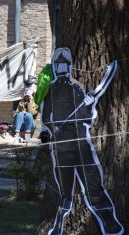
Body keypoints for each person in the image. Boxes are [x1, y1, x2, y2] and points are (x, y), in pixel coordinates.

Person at [41, 48, 123, 235]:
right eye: (59, 65)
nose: (62, 69)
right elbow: (46, 119)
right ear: (55, 67)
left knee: (94, 185)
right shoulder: (51, 90)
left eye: (64, 65)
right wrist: (53, 131)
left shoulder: (76, 87)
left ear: (69, 67)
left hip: (82, 146)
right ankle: (58, 226)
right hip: (62, 149)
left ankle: (109, 222)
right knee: (66, 192)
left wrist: (87, 103)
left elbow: (86, 118)